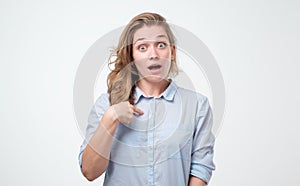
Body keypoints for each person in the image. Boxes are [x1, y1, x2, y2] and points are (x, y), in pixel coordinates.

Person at [78, 12, 215, 186]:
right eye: (142, 47)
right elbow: (89, 171)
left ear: (172, 52)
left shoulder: (197, 106)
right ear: (131, 55)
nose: (153, 54)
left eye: (160, 45)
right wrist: (110, 118)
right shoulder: (106, 104)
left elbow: (200, 168)